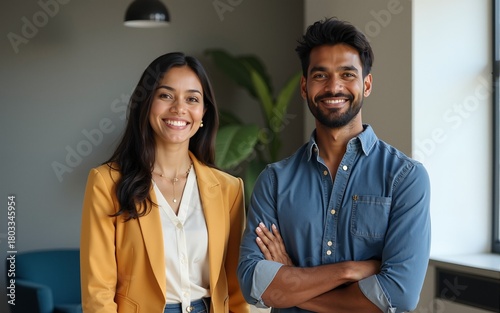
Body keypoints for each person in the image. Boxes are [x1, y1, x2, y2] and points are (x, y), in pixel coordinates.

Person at [237, 17, 431, 313]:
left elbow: (398, 296)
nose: (334, 86)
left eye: (347, 74)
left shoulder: (405, 178)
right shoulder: (274, 180)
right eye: (320, 75)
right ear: (304, 87)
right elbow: (253, 284)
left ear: (366, 84)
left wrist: (290, 282)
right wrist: (350, 270)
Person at [80, 52, 250, 313]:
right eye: (166, 95)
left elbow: (236, 287)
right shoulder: (106, 183)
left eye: (192, 99)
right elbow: (98, 291)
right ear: (146, 103)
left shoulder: (228, 189)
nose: (179, 108)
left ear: (203, 112)